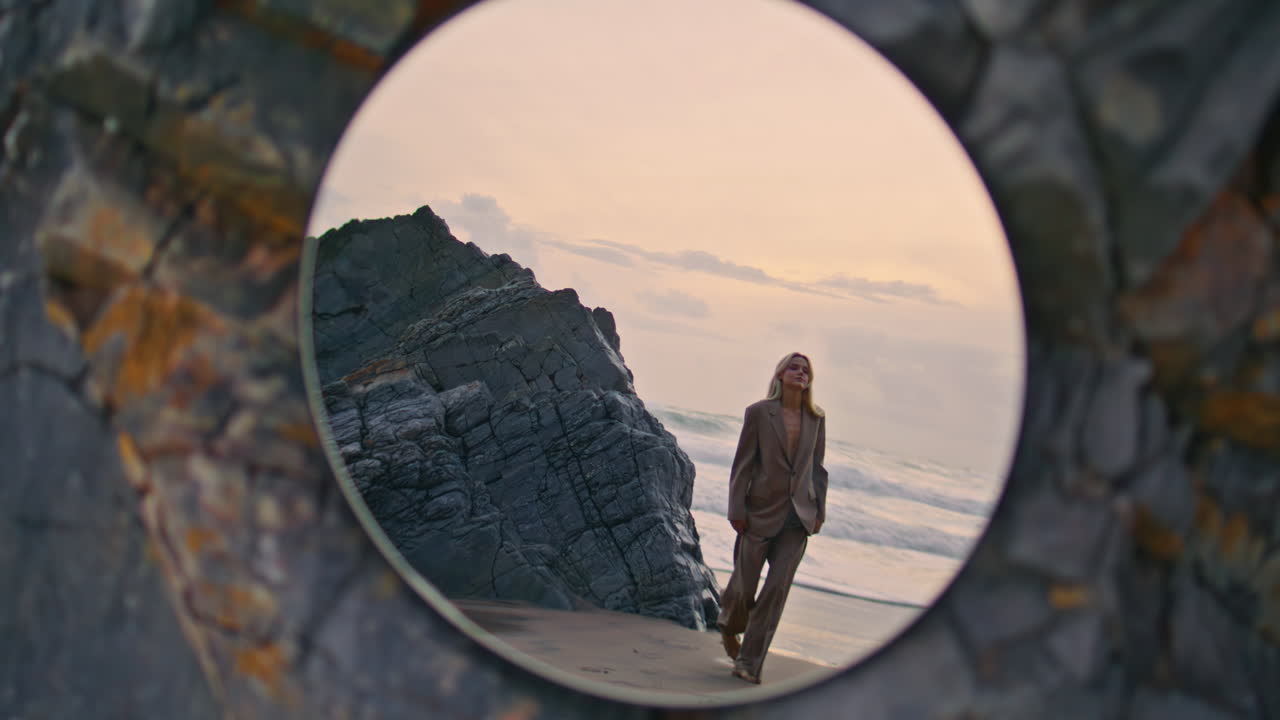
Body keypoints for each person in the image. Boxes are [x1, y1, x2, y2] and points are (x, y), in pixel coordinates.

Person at [717, 352, 828, 685]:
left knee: (776, 590)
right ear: (780, 375)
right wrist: (736, 508)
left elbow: (818, 469)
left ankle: (749, 664)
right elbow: (744, 463)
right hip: (759, 513)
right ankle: (728, 623)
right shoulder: (759, 413)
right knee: (743, 586)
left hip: (799, 518)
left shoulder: (817, 418)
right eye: (793, 368)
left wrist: (819, 510)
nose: (800, 373)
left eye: (805, 370)